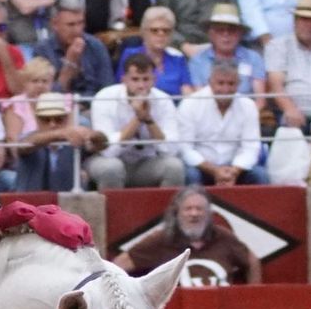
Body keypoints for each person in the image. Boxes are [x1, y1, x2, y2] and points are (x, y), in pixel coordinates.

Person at [113, 186, 260, 285]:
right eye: (188, 209)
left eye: (199, 209)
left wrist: (254, 294)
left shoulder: (223, 236)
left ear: (208, 213)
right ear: (177, 213)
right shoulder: (161, 240)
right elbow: (119, 265)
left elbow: (251, 260)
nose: (194, 214)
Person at [87, 52, 186, 187]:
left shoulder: (163, 100)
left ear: (154, 80)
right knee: (112, 168)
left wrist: (148, 119)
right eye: (135, 79)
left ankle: (166, 208)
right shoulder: (105, 97)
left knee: (174, 167)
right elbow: (108, 150)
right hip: (109, 160)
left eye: (146, 79)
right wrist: (138, 118)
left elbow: (170, 150)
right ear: (124, 79)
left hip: (147, 162)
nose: (141, 86)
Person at [179, 57, 268, 183]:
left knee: (260, 175)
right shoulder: (190, 104)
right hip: (201, 167)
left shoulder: (248, 105)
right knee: (191, 175)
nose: (225, 90)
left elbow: (251, 148)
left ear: (239, 84)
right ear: (210, 82)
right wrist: (214, 170)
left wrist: (234, 171)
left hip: (235, 169)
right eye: (220, 83)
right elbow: (185, 148)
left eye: (231, 84)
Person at [11, 90, 104, 189]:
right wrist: (61, 133)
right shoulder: (29, 138)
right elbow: (24, 146)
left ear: (66, 118)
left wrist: (91, 135)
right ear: (37, 119)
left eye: (58, 119)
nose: (52, 124)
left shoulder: (73, 140)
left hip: (67, 201)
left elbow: (102, 144)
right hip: (32, 202)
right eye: (46, 119)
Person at [32, 0, 112, 97]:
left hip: (94, 106)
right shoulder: (42, 50)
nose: (78, 30)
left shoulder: (96, 46)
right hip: (58, 109)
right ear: (54, 24)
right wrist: (69, 64)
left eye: (81, 23)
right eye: (71, 24)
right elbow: (46, 97)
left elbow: (108, 89)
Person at [187, 2, 267, 95]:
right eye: (220, 30)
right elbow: (200, 97)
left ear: (240, 34)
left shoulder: (253, 58)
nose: (226, 35)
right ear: (211, 34)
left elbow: (260, 99)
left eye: (232, 30)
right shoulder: (198, 61)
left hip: (249, 108)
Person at [116, 5, 192, 93]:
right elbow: (122, 89)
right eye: (154, 30)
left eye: (166, 30)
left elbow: (187, 92)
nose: (161, 34)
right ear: (143, 32)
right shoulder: (130, 55)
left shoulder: (178, 59)